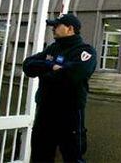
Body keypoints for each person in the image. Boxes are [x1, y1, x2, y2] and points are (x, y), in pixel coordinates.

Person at [23, 13, 96, 162]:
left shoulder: (85, 51)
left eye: (57, 26)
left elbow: (73, 75)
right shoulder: (52, 48)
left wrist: (44, 72)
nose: (53, 28)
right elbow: (28, 65)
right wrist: (50, 66)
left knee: (73, 156)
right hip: (45, 111)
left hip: (70, 113)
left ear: (70, 29)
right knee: (40, 155)